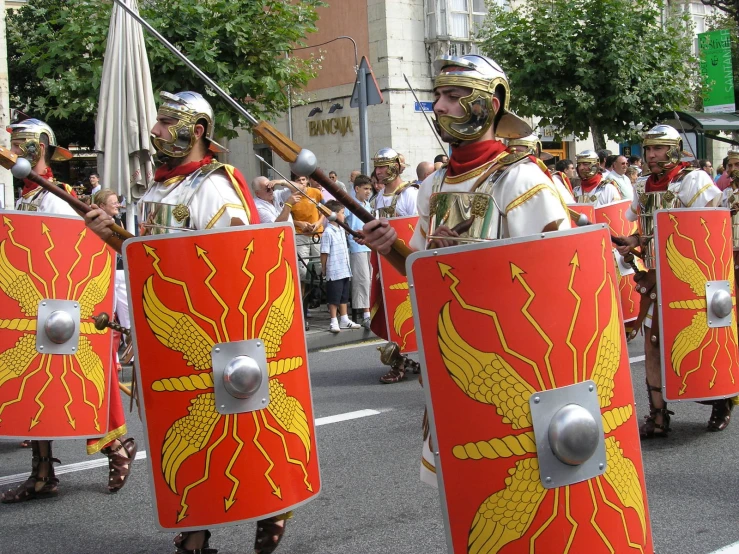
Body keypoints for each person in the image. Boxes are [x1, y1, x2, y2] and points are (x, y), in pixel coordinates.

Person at [83, 91, 288, 554]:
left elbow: (233, 267)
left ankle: (269, 502)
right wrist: (112, 236)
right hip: (168, 334)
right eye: (157, 120)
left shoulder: (214, 185)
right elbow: (150, 260)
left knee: (233, 430)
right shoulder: (158, 188)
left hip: (211, 337)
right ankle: (195, 530)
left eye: (165, 121)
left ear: (196, 130)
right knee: (180, 434)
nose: (155, 130)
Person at [361, 54, 570, 484]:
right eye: (438, 95)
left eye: (453, 96)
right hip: (452, 355)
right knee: (460, 489)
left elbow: (555, 284)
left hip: (511, 368)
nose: (439, 106)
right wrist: (391, 248)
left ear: (489, 104)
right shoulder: (434, 186)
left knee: (516, 483)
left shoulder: (522, 180)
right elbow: (419, 270)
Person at [2, 120, 138, 505]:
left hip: (68, 312)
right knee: (36, 388)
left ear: (40, 147)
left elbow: (79, 258)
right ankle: (42, 472)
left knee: (86, 384)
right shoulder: (26, 197)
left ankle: (118, 448)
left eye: (21, 142)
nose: (14, 148)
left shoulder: (58, 197)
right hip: (36, 310)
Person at [615, 124, 730, 439]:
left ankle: (721, 399)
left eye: (659, 149)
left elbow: (708, 225)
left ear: (675, 149)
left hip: (690, 281)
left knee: (702, 343)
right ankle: (658, 416)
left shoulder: (693, 181)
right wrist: (631, 240)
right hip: (655, 280)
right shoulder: (642, 185)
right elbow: (645, 231)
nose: (651, 155)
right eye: (648, 149)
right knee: (653, 344)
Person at [11, 118, 77, 214]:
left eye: (16, 145)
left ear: (40, 149)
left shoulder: (55, 197)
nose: (12, 151)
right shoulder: (25, 196)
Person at [320, 200, 361, 333]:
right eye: (342, 213)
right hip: (334, 269)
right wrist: (324, 268)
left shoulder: (341, 229)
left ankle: (344, 318)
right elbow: (324, 252)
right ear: (334, 214)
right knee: (334, 297)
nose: (344, 216)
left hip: (344, 268)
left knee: (344, 296)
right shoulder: (328, 232)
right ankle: (333, 321)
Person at [344, 175, 374, 329]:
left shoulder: (367, 204)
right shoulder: (350, 204)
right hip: (357, 246)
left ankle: (371, 311)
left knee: (370, 278)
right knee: (362, 280)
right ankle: (366, 314)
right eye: (365, 189)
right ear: (357, 189)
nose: (368, 192)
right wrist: (349, 235)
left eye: (370, 189)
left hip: (369, 245)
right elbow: (342, 220)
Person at [372, 148, 418, 218]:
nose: (377, 172)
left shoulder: (410, 193)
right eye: (376, 168)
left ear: (395, 166)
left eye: (381, 167)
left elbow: (418, 224)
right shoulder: (378, 197)